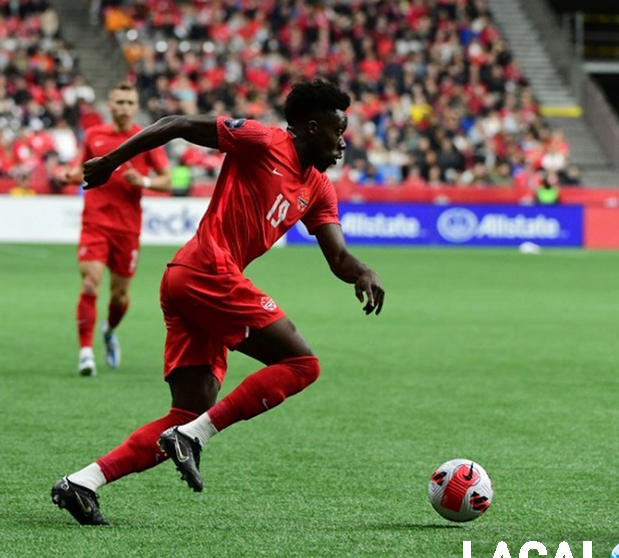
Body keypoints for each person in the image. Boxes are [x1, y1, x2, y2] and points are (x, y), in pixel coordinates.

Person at [51, 79, 385, 525]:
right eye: (337, 130)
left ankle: (82, 483)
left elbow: (338, 257)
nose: (344, 142)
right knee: (304, 365)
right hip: (208, 270)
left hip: (190, 280)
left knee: (188, 412)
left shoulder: (320, 188)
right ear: (310, 127)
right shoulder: (263, 140)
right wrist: (111, 163)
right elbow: (176, 124)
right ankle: (194, 438)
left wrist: (362, 272)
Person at [60, 82, 171, 377]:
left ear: (136, 107)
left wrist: (144, 182)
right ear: (109, 105)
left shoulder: (146, 138)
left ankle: (109, 332)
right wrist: (68, 175)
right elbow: (79, 168)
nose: (123, 107)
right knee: (89, 284)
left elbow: (168, 180)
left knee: (119, 296)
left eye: (129, 103)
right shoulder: (94, 135)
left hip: (127, 229)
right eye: (118, 102)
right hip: (95, 223)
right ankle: (86, 354)